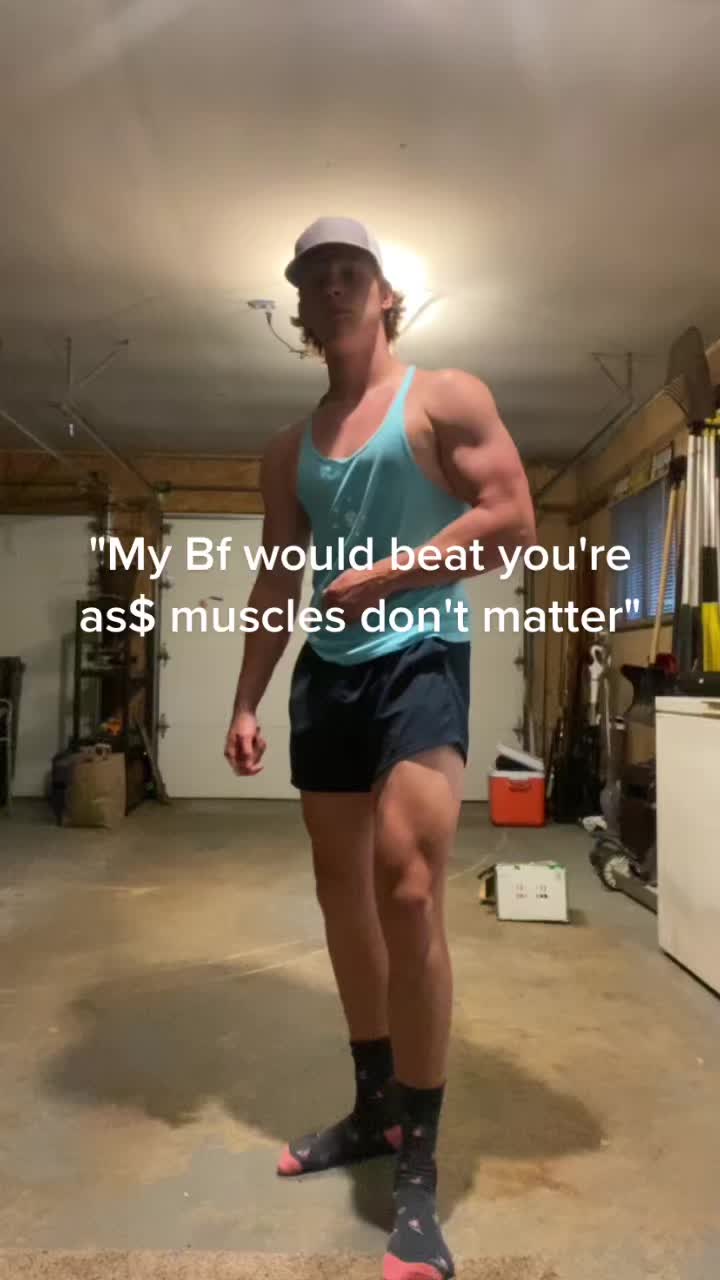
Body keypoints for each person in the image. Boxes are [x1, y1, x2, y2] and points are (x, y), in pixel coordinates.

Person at [225, 217, 536, 1280]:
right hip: (328, 674)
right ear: (300, 309)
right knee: (340, 891)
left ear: (386, 293)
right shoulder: (288, 450)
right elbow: (279, 575)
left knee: (408, 888)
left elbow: (512, 517)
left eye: (349, 269)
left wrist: (395, 573)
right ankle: (372, 1110)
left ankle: (418, 1170)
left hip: (421, 659)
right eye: (314, 276)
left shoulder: (445, 397)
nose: (332, 285)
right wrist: (246, 697)